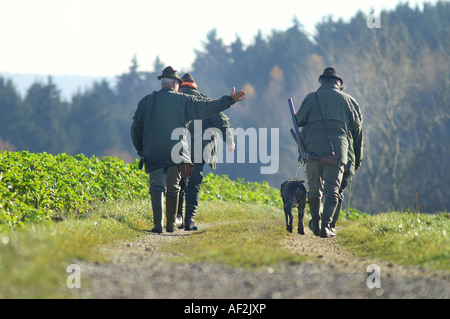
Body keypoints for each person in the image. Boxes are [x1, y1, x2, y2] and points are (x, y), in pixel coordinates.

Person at [131, 66, 245, 233]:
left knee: (156, 186)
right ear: (176, 85)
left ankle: (158, 224)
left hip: (153, 151)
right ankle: (174, 223)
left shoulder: (146, 101)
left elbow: (135, 128)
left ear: (163, 84)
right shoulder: (184, 100)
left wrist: (141, 150)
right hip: (178, 152)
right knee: (176, 186)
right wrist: (229, 100)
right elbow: (209, 109)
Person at [296, 67, 363, 238]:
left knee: (314, 189)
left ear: (322, 82)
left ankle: (316, 224)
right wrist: (357, 158)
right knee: (332, 189)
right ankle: (326, 226)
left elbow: (299, 121)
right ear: (338, 83)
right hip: (338, 151)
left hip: (312, 151)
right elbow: (357, 132)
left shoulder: (311, 98)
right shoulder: (349, 101)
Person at [176, 73, 235, 231]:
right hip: (199, 149)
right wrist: (229, 141)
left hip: (177, 148)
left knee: (179, 183)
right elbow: (222, 121)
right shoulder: (203, 101)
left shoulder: (174, 100)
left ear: (180, 86)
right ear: (194, 86)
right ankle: (189, 220)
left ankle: (178, 218)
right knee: (193, 184)